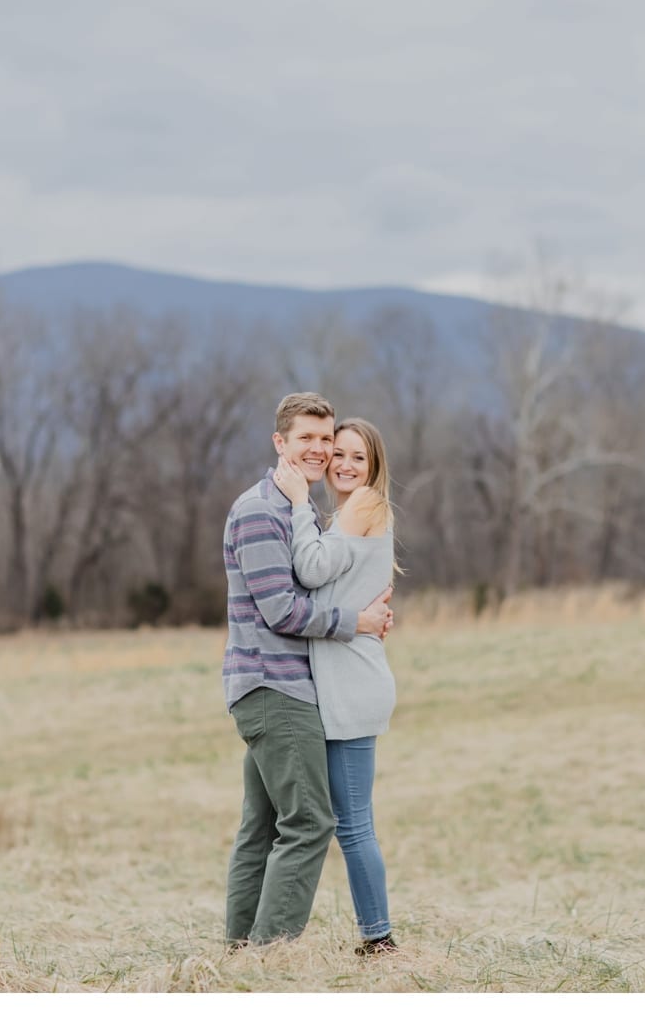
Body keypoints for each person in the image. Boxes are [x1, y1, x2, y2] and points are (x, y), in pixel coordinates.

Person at [222, 393, 394, 948]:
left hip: (296, 686)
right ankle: (271, 953)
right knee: (311, 824)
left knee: (262, 828)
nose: (322, 452)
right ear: (281, 443)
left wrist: (364, 611)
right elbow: (282, 610)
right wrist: (357, 621)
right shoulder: (260, 510)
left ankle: (240, 949)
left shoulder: (311, 511)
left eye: (329, 441)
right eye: (310, 440)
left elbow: (331, 571)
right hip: (276, 686)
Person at [272, 417, 400, 956]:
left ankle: (379, 940)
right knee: (345, 822)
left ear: (373, 468)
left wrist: (298, 501)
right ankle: (374, 935)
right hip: (344, 675)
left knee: (352, 825)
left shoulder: (365, 503)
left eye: (358, 457)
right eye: (339, 454)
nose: (345, 465)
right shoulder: (343, 514)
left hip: (353, 682)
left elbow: (312, 566)